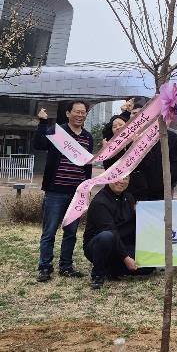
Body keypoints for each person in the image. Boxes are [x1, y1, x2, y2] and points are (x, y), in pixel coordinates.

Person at [33, 101, 94, 282]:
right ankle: (45, 267)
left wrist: (87, 189)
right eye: (77, 111)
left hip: (76, 193)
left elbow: (87, 166)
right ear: (68, 113)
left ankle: (66, 266)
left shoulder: (88, 137)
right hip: (55, 191)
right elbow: (39, 144)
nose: (80, 115)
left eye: (83, 112)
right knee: (49, 231)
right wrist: (42, 122)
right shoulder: (57, 131)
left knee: (71, 232)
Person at [83, 175, 154, 289]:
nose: (121, 181)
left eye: (126, 178)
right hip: (99, 245)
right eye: (118, 177)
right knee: (107, 236)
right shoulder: (100, 202)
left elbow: (134, 225)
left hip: (122, 244)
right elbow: (111, 231)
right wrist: (126, 258)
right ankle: (98, 274)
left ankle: (111, 269)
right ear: (109, 178)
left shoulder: (129, 197)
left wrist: (141, 213)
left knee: (148, 267)